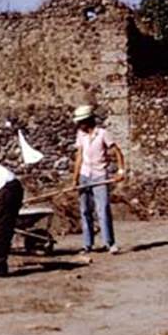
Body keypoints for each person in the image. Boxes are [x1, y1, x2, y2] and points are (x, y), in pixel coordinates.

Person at [70, 105, 126, 254]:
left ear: (88, 121)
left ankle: (110, 243)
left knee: (103, 209)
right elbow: (79, 157)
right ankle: (87, 244)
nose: (79, 125)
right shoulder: (80, 135)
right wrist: (75, 179)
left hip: (100, 175)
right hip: (85, 175)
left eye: (81, 122)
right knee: (85, 210)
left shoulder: (103, 134)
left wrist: (121, 171)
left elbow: (118, 153)